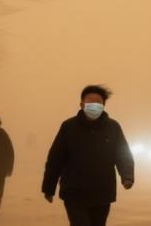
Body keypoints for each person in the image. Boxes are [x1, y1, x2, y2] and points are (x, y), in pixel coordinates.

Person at [42, 85, 135, 226]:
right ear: (81, 104)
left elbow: (123, 154)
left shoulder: (113, 127)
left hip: (102, 193)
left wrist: (127, 176)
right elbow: (56, 158)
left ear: (104, 105)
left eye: (98, 103)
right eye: (90, 102)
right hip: (74, 193)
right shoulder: (69, 127)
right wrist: (49, 187)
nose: (94, 106)